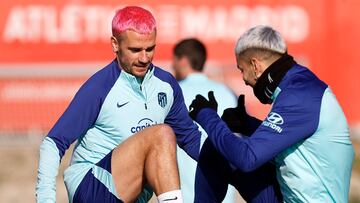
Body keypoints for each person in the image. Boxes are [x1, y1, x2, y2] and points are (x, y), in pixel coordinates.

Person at [36, 6, 202, 203]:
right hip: (91, 188)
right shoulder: (99, 87)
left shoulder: (166, 85)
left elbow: (191, 139)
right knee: (162, 134)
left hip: (130, 194)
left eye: (150, 48)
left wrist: (233, 164)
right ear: (115, 44)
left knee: (164, 137)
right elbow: (53, 143)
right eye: (135, 50)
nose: (144, 58)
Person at [189, 25, 354, 202]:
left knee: (222, 147)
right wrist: (246, 124)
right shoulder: (298, 83)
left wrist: (207, 116)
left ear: (255, 65)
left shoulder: (300, 94)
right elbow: (294, 139)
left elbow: (247, 158)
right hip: (287, 197)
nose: (244, 80)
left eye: (241, 70)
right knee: (217, 149)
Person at [172, 38, 238, 203]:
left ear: (184, 61)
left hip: (185, 197)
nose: (173, 67)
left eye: (174, 61)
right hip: (224, 196)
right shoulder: (227, 93)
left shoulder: (174, 93)